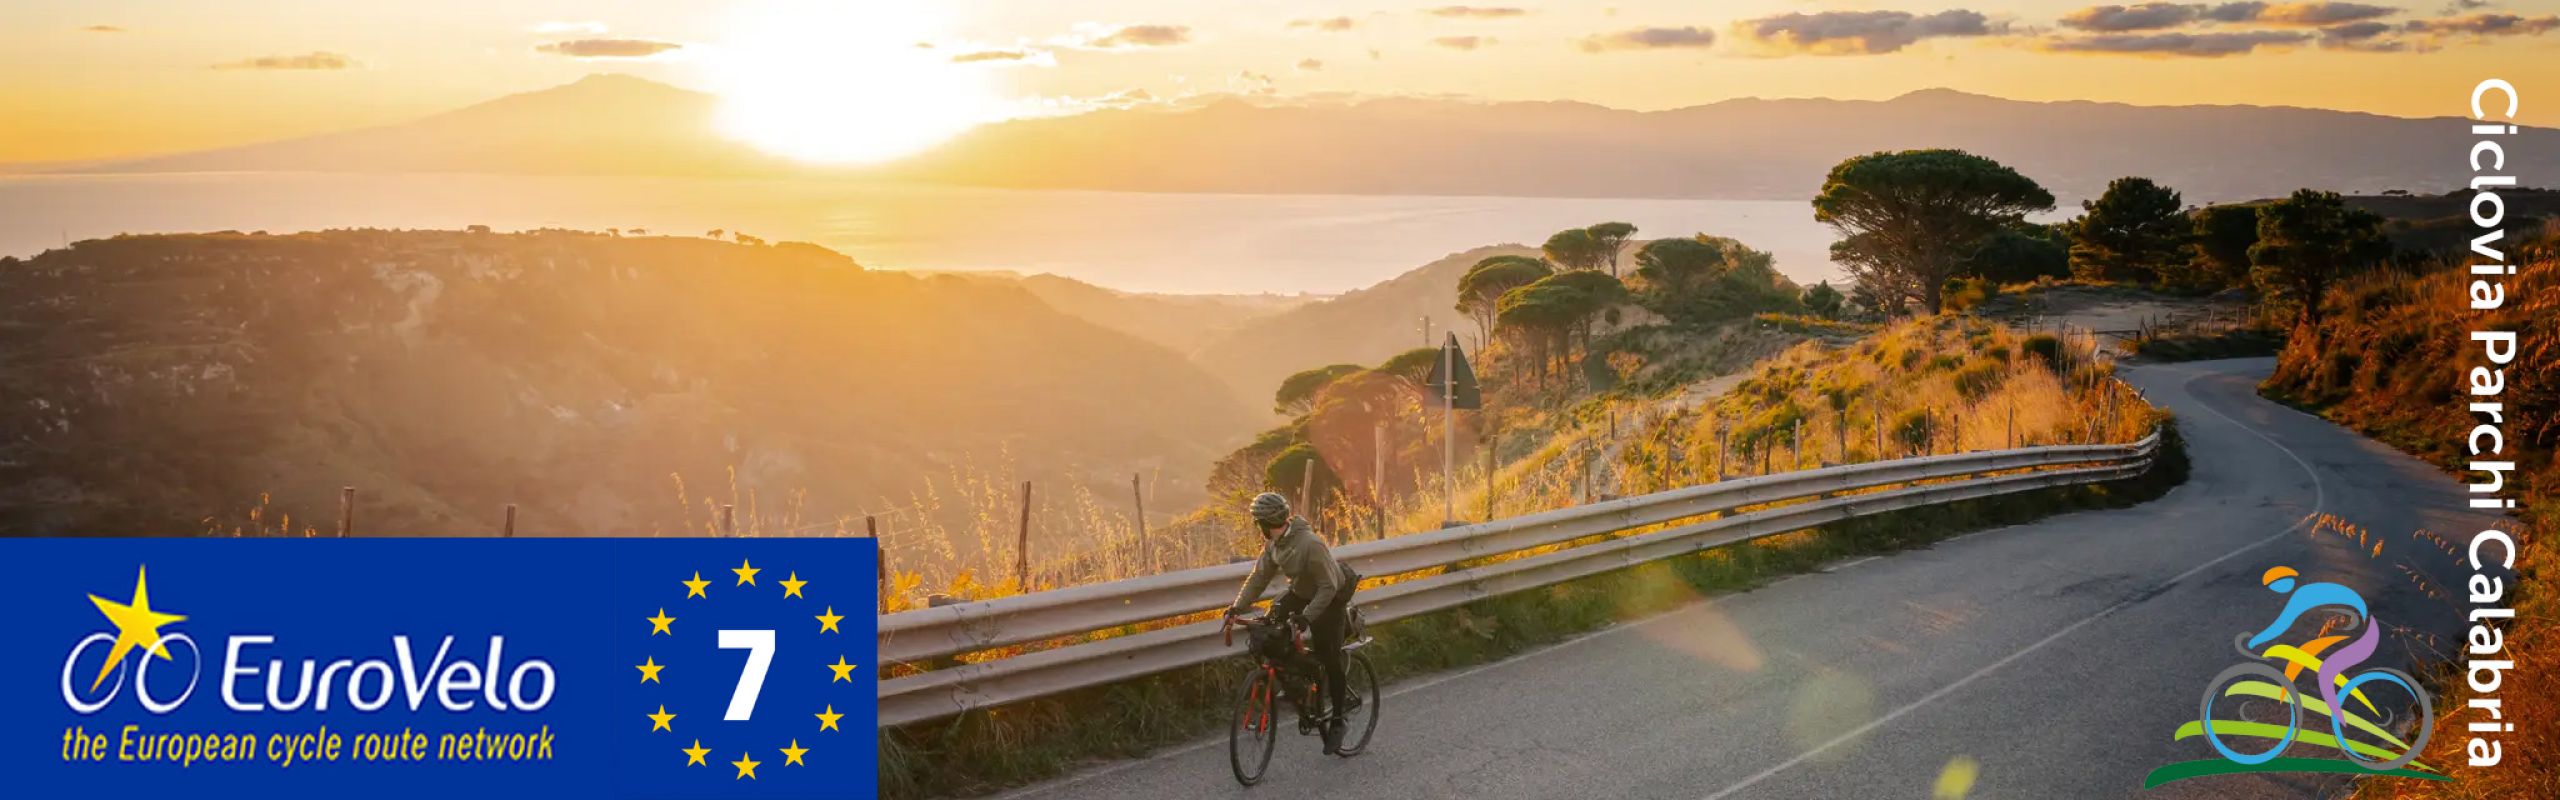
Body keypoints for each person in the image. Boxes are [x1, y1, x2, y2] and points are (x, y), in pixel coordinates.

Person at [1227, 491, 1361, 754]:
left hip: (1330, 597)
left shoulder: (1310, 544)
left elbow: (1327, 587)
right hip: (1302, 591)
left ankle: (1337, 721)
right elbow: (1259, 578)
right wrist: (1236, 607)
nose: (1258, 528)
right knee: (1270, 629)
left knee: (1328, 657)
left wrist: (1306, 618)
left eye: (1258, 523)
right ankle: (1298, 683)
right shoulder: (1275, 545)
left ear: (1264, 524)